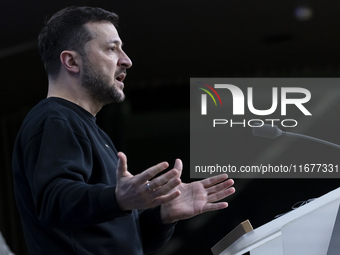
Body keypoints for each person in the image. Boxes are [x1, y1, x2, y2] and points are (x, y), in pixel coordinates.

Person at [12, 6, 235, 255]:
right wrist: (117, 199)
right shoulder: (54, 120)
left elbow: (122, 239)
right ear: (71, 61)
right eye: (111, 48)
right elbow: (54, 202)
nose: (126, 60)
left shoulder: (86, 128)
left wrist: (162, 215)